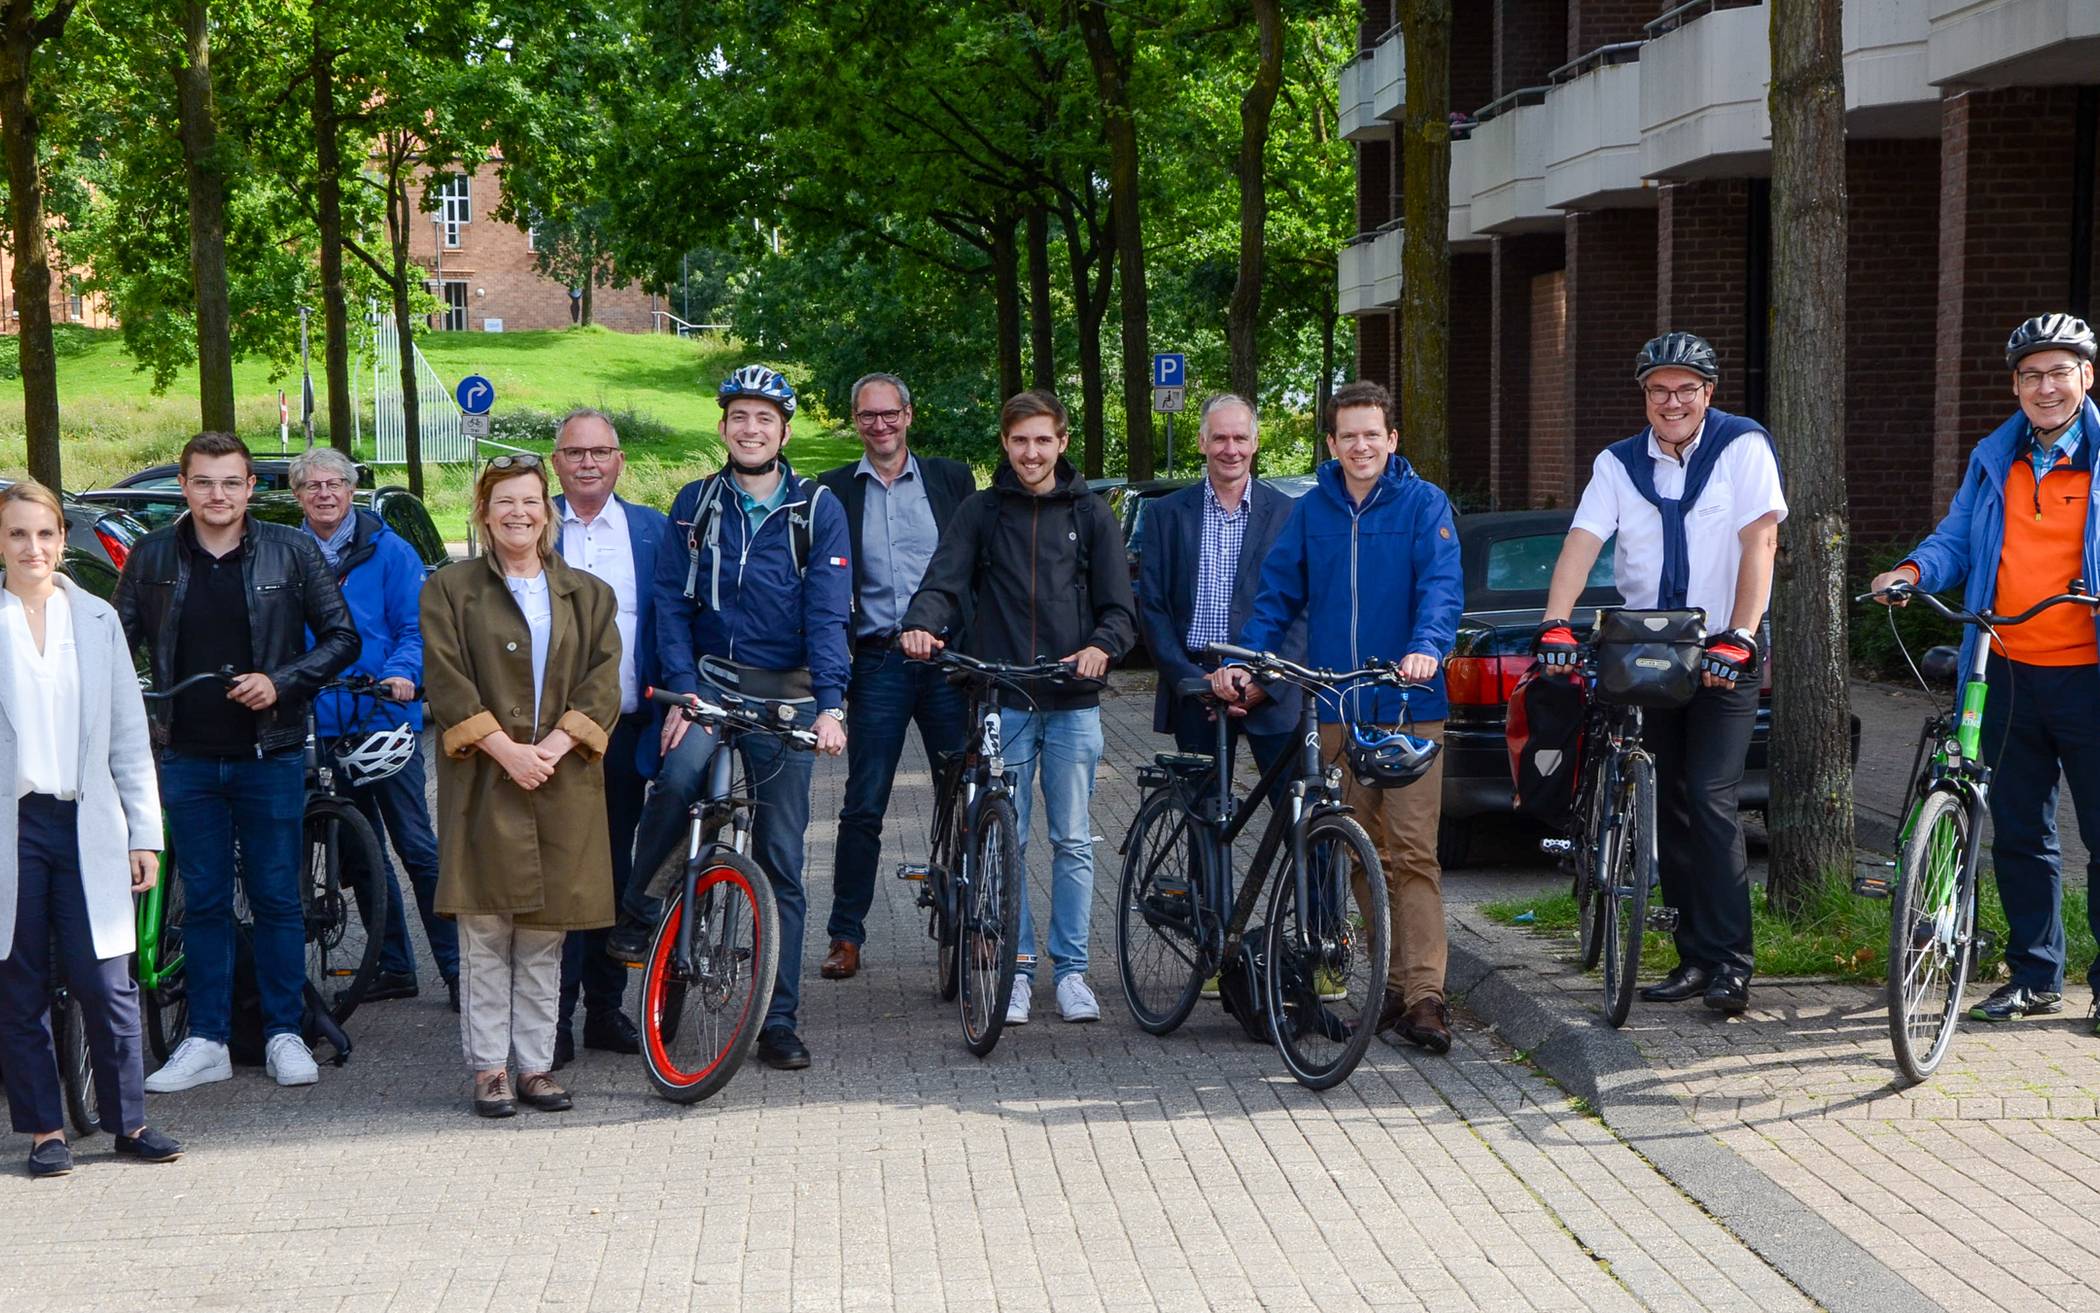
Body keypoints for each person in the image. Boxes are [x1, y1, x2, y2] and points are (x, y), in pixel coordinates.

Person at [605, 365, 850, 1072]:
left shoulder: (816, 508)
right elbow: (671, 603)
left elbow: (828, 612)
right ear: (722, 427)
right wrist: (682, 690)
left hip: (786, 695)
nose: (751, 429)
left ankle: (778, 1020)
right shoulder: (696, 502)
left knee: (782, 858)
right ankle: (641, 908)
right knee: (678, 778)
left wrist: (831, 705)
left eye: (764, 419)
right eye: (739, 417)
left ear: (784, 432)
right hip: (710, 685)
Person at [1534, 332, 1785, 1015]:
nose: (1672, 402)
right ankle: (1693, 957)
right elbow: (1583, 541)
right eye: (1658, 390)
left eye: (1685, 390)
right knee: (1666, 801)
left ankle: (1731, 961)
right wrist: (1556, 622)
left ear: (1708, 393)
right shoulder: (1617, 463)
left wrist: (1742, 635)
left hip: (1724, 650)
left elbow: (1760, 541)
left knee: (1709, 797)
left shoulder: (1742, 446)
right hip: (1652, 651)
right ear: (1644, 396)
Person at [1211, 380, 1463, 1051]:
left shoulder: (1423, 504)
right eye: (1348, 435)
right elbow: (1276, 595)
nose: (1361, 446)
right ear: (1331, 443)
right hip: (1337, 707)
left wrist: (1426, 647)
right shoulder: (1312, 511)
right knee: (1361, 851)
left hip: (1409, 704)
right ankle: (1392, 986)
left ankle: (1427, 997)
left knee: (1413, 851)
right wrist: (1254, 658)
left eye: (1372, 434)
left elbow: (1441, 588)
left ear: (1392, 439)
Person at [1869, 313, 2100, 1028]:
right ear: (2016, 386)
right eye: (2031, 375)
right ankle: (2036, 975)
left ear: (2087, 377)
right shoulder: (1995, 457)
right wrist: (1911, 571)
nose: (2045, 387)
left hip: (2089, 676)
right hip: (2004, 669)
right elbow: (1959, 540)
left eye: (2059, 372)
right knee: (2021, 832)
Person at [115, 432, 360, 1093]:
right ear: (184, 487)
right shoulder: (152, 554)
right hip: (186, 756)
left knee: (278, 898)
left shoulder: (290, 549)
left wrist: (282, 681)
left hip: (268, 753)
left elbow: (343, 637)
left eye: (230, 482)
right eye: (203, 482)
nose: (217, 494)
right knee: (204, 904)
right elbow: (114, 643)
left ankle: (284, 1032)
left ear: (251, 488)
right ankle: (207, 1039)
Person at [901, 389, 1137, 1027]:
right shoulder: (980, 511)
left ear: (1063, 442)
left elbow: (1120, 609)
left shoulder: (1091, 514)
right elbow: (943, 582)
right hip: (1002, 698)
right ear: (1005, 444)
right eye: (1019, 441)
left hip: (1072, 699)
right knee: (1007, 836)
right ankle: (1016, 966)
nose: (1031, 453)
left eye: (1042, 440)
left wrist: (1101, 647)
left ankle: (1072, 972)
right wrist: (920, 624)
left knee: (1072, 838)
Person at [420, 455, 622, 1118]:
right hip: (484, 777)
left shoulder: (589, 594)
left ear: (547, 511)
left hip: (562, 780)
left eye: (531, 501)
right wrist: (507, 751)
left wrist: (554, 748)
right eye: (504, 501)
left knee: (545, 932)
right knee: (484, 929)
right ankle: (489, 1069)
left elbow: (603, 682)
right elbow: (446, 679)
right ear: (484, 512)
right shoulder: (450, 589)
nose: (519, 513)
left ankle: (536, 1066)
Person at [0, 482, 182, 1176]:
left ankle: (129, 1122)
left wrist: (144, 833)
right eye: (18, 534)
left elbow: (129, 738)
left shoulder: (97, 618)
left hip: (88, 821)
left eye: (45, 533)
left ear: (61, 539)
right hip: (12, 825)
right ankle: (45, 1132)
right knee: (18, 983)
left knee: (106, 979)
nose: (33, 548)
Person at [815, 373, 976, 980]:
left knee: (960, 796)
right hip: (877, 662)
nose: (879, 425)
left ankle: (974, 923)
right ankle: (846, 934)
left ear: (908, 415)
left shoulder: (950, 479)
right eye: (867, 415)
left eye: (890, 414)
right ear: (855, 421)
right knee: (863, 803)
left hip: (946, 663)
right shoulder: (833, 491)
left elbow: (974, 567)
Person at [289, 447, 457, 1013]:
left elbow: (416, 626)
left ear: (351, 489)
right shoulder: (288, 553)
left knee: (416, 847)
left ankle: (457, 970)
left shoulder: (390, 551)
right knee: (359, 852)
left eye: (334, 483)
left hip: (380, 715)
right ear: (298, 496)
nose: (324, 494)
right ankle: (393, 965)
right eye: (312, 486)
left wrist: (403, 674)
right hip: (319, 721)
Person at [548, 407, 668, 1068]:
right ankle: (553, 1016)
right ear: (557, 462)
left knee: (616, 868)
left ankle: (604, 1008)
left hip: (627, 728)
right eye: (575, 452)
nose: (588, 462)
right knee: (562, 874)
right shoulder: (534, 526)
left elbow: (671, 620)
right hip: (552, 736)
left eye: (600, 451)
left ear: (620, 459)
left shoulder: (652, 530)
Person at [1137, 392, 1304, 789]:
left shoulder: (1290, 513)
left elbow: (1305, 609)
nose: (1231, 449)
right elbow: (1153, 609)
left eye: (1240, 438)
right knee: (1204, 817)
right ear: (1202, 442)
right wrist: (1193, 679)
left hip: (1270, 685)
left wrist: (1266, 681)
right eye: (1220, 438)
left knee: (1294, 814)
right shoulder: (1165, 514)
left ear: (1255, 442)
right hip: (1195, 685)